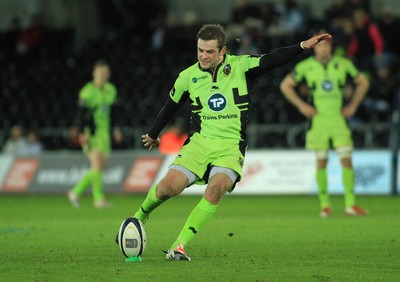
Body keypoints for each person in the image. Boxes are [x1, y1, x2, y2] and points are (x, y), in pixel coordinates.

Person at [126, 23, 331, 260]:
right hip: (199, 144)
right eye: (200, 50)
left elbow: (272, 60)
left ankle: (179, 246)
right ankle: (139, 216)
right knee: (165, 189)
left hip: (230, 145)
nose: (204, 56)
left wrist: (303, 46)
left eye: (210, 51)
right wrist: (153, 134)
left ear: (223, 51)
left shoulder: (241, 66)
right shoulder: (188, 77)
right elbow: (169, 107)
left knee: (216, 189)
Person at [280, 31, 369, 217]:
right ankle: (325, 206)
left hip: (338, 119)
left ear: (331, 47)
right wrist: (302, 105)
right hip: (318, 120)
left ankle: (350, 205)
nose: (323, 48)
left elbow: (363, 82)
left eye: (327, 45)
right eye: (320, 45)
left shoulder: (342, 64)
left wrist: (352, 105)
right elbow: (285, 85)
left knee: (347, 161)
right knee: (321, 162)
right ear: (314, 48)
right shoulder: (305, 66)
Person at [67, 60, 117, 208]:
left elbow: (113, 113)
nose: (103, 75)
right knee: (96, 164)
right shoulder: (87, 91)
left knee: (100, 166)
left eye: (105, 72)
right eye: (100, 72)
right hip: (91, 132)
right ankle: (98, 199)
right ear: (94, 73)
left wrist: (115, 129)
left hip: (104, 133)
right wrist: (82, 132)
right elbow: (80, 114)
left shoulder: (111, 90)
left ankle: (76, 192)